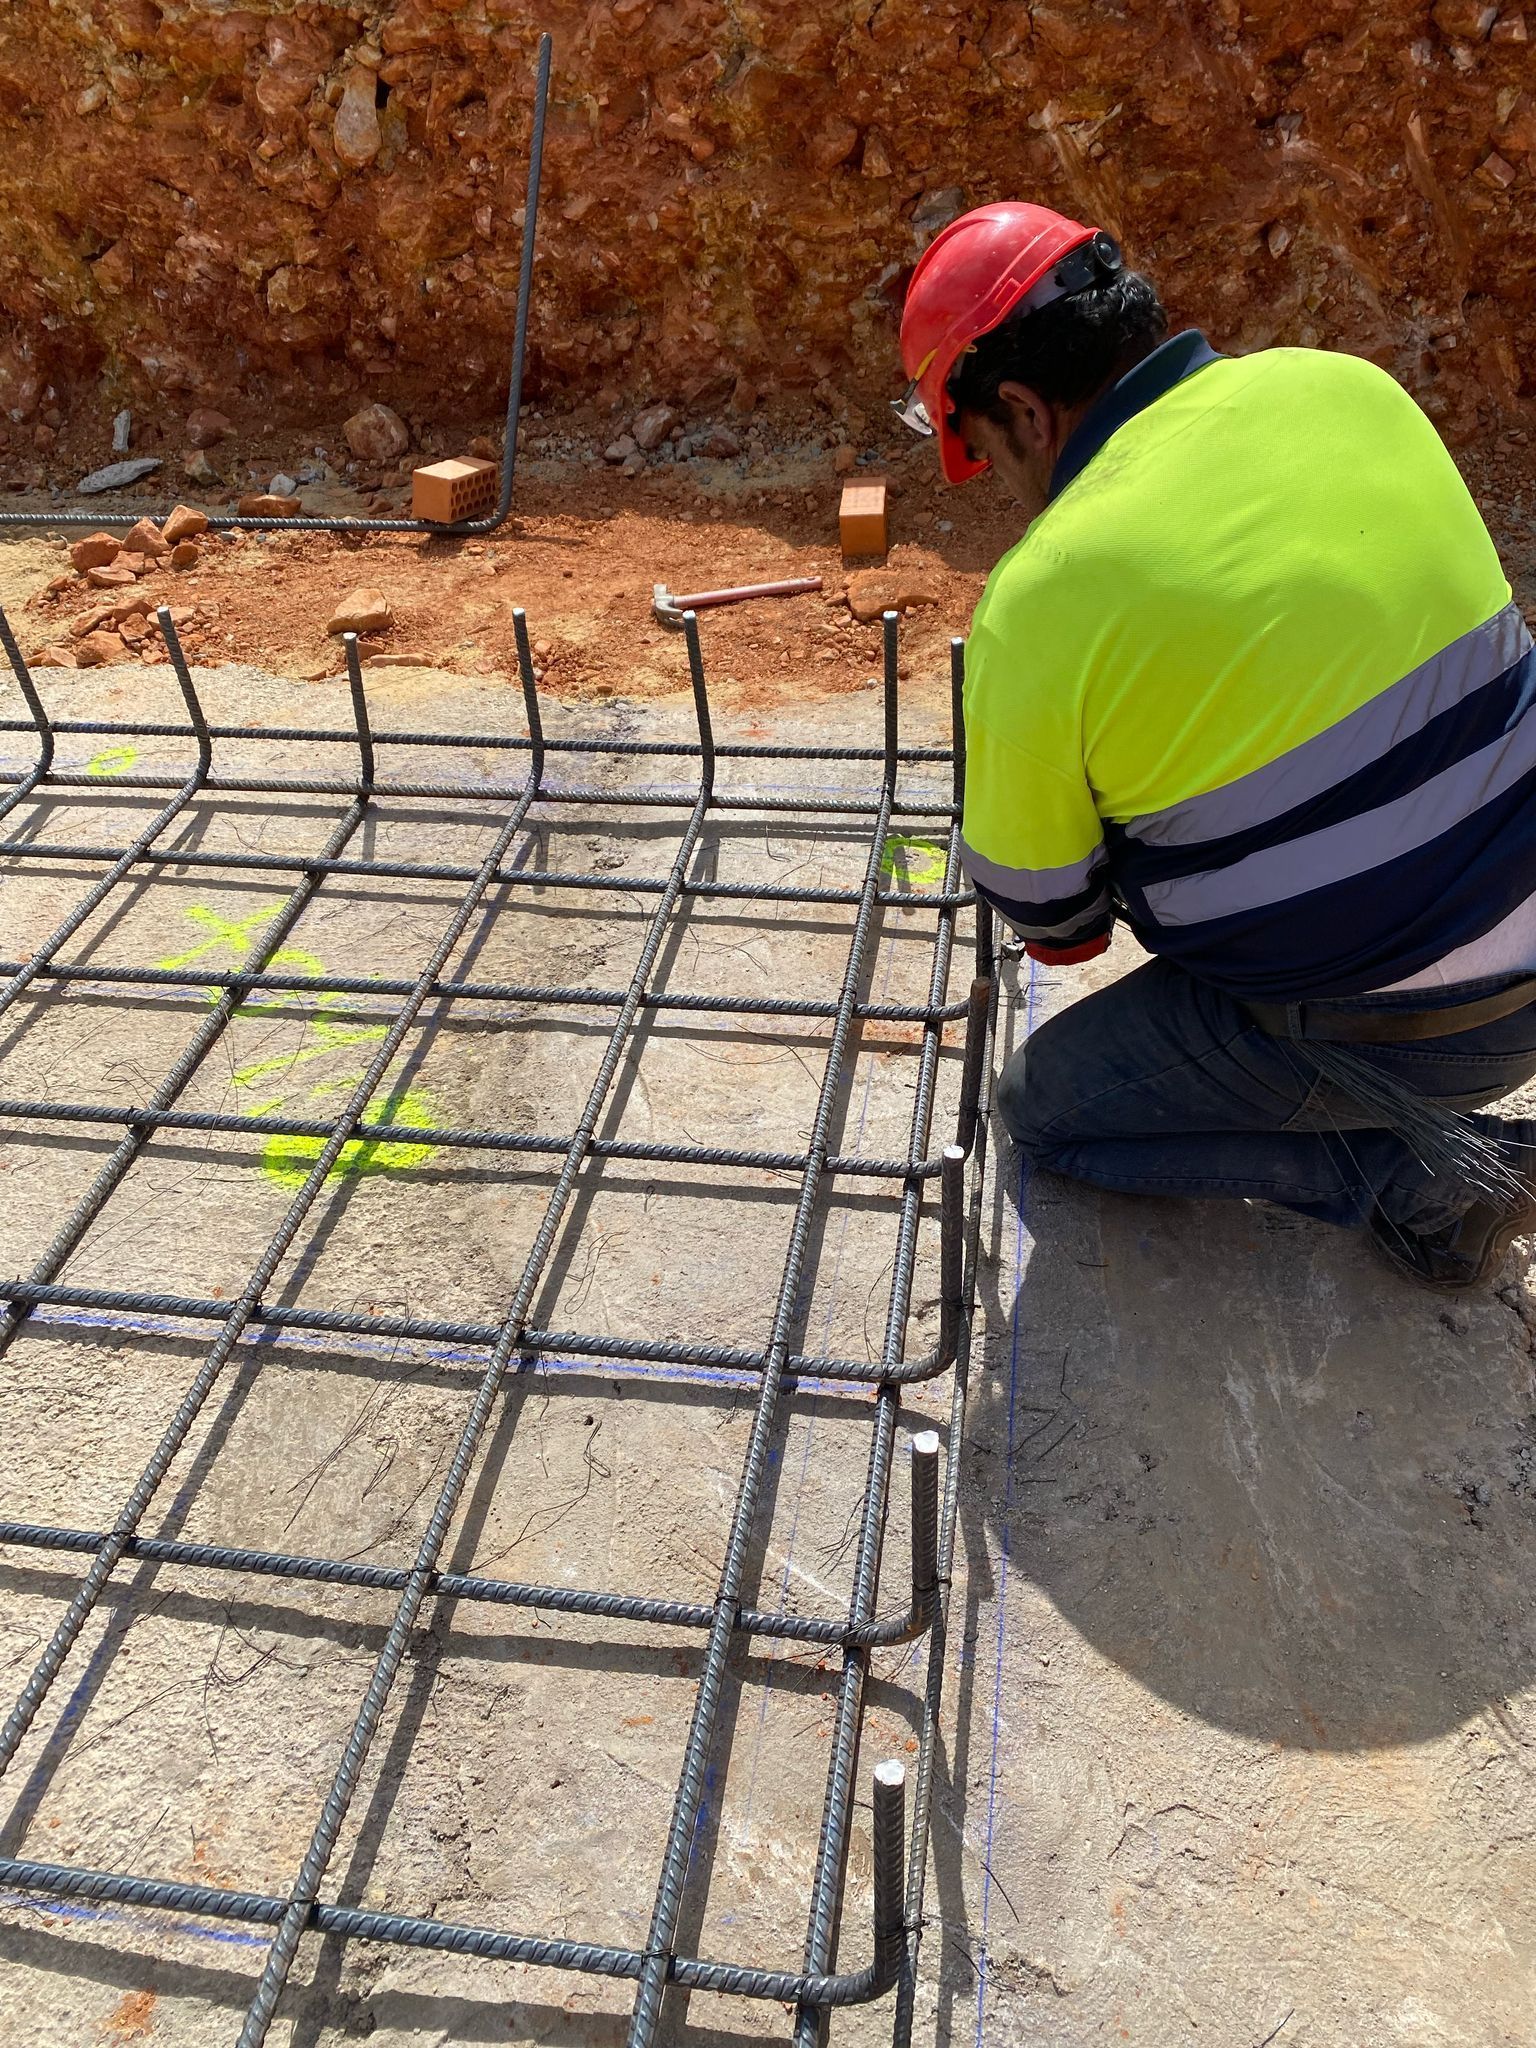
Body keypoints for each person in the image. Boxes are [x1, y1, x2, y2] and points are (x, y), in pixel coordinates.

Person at [896, 201, 1536, 1289]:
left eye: (986, 449)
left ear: (1021, 408)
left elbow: (1058, 930)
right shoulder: (1347, 386)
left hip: (1421, 1030)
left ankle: (1421, 1176)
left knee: (1046, 1110)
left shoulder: (1043, 594)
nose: (1003, 483)